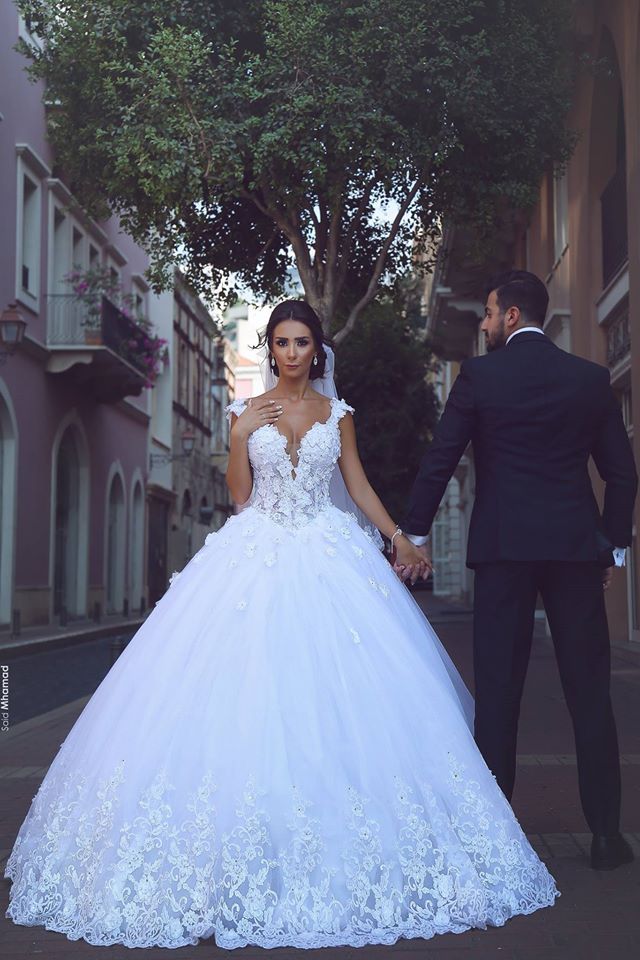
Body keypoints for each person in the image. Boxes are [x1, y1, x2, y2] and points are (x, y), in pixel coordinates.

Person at [4, 299, 558, 951]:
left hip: (328, 552)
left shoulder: (337, 414)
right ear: (269, 349)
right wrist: (240, 436)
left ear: (317, 349)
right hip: (256, 550)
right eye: (281, 342)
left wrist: (399, 537)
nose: (291, 352)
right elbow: (240, 496)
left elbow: (357, 487)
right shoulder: (246, 411)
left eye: (301, 342)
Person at [402, 270, 638, 872]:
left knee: (499, 695)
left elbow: (442, 456)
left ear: (510, 316)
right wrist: (611, 547)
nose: (483, 324)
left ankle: (493, 842)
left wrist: (414, 535)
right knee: (590, 693)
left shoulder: (480, 377)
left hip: (504, 549)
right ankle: (606, 838)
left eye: (487, 313)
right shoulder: (589, 378)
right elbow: (621, 474)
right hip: (573, 550)